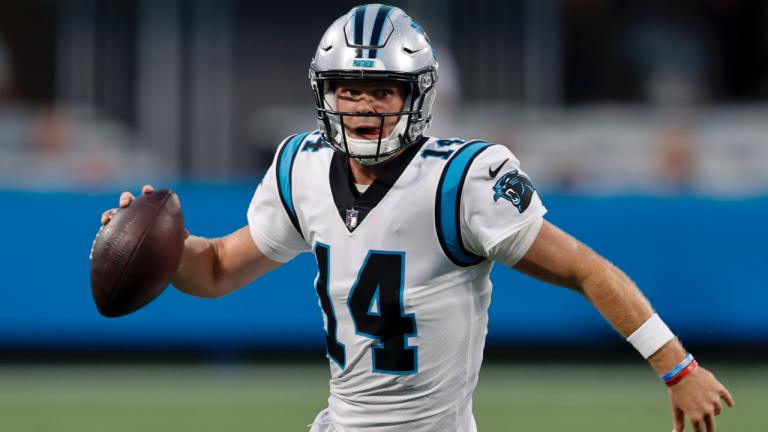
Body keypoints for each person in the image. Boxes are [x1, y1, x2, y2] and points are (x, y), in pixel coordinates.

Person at [102, 5, 732, 432]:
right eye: (348, 89)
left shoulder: (463, 180)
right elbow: (215, 269)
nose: (363, 106)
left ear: (417, 96)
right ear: (325, 93)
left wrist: (677, 367)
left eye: (383, 90)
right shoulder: (300, 168)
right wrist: (162, 246)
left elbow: (585, 270)